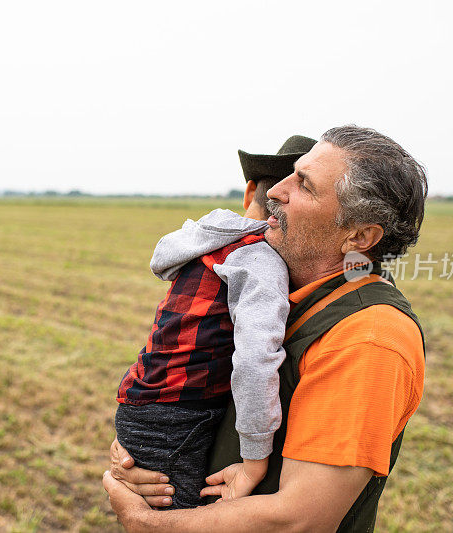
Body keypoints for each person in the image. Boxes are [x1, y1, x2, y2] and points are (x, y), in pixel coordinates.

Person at [104, 125, 427, 532]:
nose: (273, 192)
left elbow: (300, 520)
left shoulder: (369, 338)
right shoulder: (288, 294)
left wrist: (142, 519)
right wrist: (137, 454)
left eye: (304, 185)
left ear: (359, 236)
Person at [114, 135, 317, 509]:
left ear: (249, 193)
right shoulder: (259, 260)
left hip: (144, 401)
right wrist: (256, 460)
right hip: (178, 414)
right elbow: (256, 359)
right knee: (174, 520)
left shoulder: (204, 242)